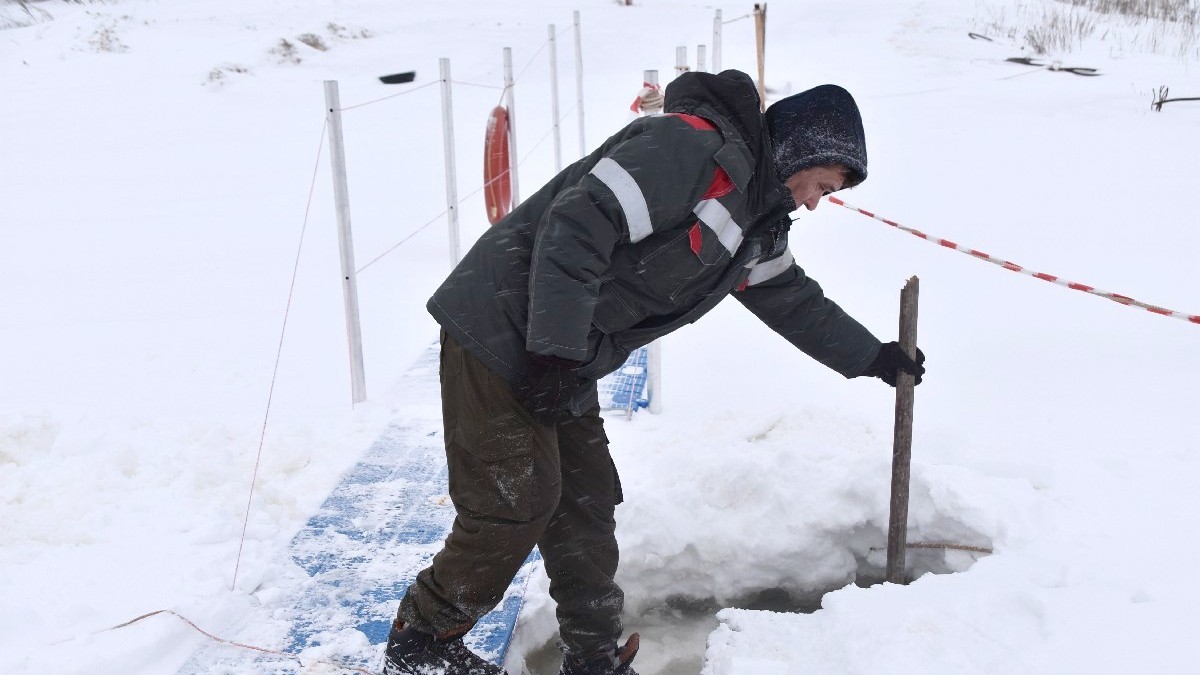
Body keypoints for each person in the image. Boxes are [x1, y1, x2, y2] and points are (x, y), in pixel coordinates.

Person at [381, 69, 925, 675]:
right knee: (517, 503)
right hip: (501, 325)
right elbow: (575, 226)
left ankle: (592, 657)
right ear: (799, 152)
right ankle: (421, 644)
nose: (814, 202)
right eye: (820, 184)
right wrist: (556, 352)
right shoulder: (689, 151)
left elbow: (792, 300)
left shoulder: (754, 221)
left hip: (562, 352)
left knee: (586, 502)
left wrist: (872, 356)